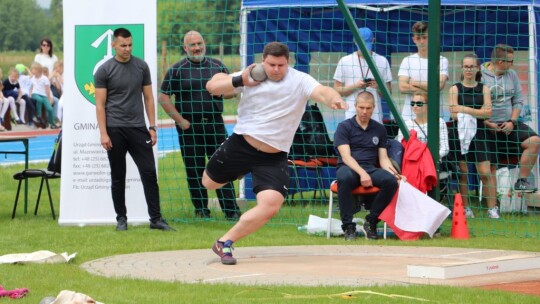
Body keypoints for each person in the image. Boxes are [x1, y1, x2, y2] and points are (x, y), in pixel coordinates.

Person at [203, 42, 347, 265]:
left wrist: (333, 98)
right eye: (271, 64)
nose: (276, 69)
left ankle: (224, 243)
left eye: (281, 65)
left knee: (271, 205)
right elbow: (212, 86)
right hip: (241, 145)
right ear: (263, 61)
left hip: (273, 155)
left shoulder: (299, 80)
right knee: (209, 184)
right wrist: (241, 79)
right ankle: (238, 170)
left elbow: (322, 91)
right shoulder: (251, 75)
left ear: (287, 62)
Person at [94, 27, 173, 232]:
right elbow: (100, 105)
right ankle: (121, 219)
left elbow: (148, 98)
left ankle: (156, 219)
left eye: (130, 45)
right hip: (114, 129)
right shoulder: (104, 70)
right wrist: (103, 133)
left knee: (149, 173)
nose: (127, 49)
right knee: (118, 176)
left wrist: (152, 126)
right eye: (123, 45)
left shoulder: (141, 66)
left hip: (138, 128)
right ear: (113, 45)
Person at [159, 31, 241, 220]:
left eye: (199, 43)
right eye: (192, 45)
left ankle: (231, 211)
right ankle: (202, 210)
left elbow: (230, 92)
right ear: (185, 48)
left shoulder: (217, 66)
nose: (197, 48)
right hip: (190, 128)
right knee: (194, 169)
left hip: (215, 125)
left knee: (222, 167)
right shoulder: (177, 70)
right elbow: (163, 97)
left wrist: (232, 88)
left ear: (204, 43)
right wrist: (180, 121)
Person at [334, 91, 401, 241]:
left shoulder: (379, 129)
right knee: (343, 177)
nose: (364, 112)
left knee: (391, 181)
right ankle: (348, 226)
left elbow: (383, 159)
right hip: (349, 167)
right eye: (361, 107)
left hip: (370, 168)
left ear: (374, 108)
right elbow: (346, 156)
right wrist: (362, 173)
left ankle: (371, 220)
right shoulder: (344, 127)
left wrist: (395, 174)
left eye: (368, 108)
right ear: (355, 106)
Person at [481, 44, 540, 193]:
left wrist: (512, 121)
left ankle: (522, 181)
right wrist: (487, 124)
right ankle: (493, 204)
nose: (512, 64)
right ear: (500, 62)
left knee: (534, 141)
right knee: (490, 165)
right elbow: (474, 105)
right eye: (510, 61)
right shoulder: (480, 75)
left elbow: (518, 100)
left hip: (509, 123)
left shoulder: (512, 74)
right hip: (486, 126)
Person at [448, 54, 497, 219]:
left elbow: (488, 112)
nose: (469, 69)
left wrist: (464, 108)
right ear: (462, 68)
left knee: (485, 172)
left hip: (480, 133)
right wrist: (477, 111)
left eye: (472, 66)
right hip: (459, 132)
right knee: (463, 172)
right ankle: (466, 208)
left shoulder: (484, 89)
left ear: (477, 68)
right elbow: (453, 114)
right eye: (466, 66)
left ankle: (492, 208)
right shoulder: (454, 88)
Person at [333, 27, 392, 123]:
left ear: (373, 40)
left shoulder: (382, 61)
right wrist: (356, 86)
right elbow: (337, 90)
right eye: (361, 45)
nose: (364, 49)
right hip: (351, 115)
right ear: (355, 41)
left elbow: (388, 92)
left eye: (367, 45)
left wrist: (378, 86)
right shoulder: (345, 61)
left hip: (375, 117)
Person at [398, 21, 449, 120]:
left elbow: (439, 86)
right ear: (414, 39)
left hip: (434, 115)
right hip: (410, 116)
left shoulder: (442, 60)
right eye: (418, 38)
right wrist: (429, 89)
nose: (421, 41)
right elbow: (402, 87)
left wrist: (415, 83)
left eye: (425, 37)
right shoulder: (407, 60)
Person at [395, 92, 449, 161]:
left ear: (428, 105)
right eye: (412, 103)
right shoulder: (406, 124)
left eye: (419, 103)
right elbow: (401, 147)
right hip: (413, 162)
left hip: (432, 163)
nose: (415, 106)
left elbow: (445, 148)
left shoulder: (439, 122)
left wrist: (428, 158)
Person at [29, 62, 58, 129]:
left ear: (38, 70)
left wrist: (49, 98)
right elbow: (31, 87)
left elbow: (47, 89)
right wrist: (30, 94)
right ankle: (39, 116)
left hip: (44, 95)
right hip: (35, 94)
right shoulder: (33, 78)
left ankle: (52, 123)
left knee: (50, 109)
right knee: (39, 100)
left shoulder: (44, 78)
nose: (32, 71)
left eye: (33, 70)